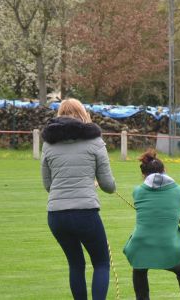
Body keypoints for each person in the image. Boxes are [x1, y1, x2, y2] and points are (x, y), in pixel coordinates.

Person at [41, 98, 116, 299]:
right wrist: (95, 184)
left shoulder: (49, 143)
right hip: (85, 212)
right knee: (101, 262)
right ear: (83, 114)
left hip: (56, 215)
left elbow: (48, 185)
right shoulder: (95, 141)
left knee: (76, 264)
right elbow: (108, 185)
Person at [123, 149, 180, 300]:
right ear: (165, 171)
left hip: (140, 245)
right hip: (169, 247)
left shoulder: (137, 191)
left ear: (144, 175)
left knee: (139, 269)